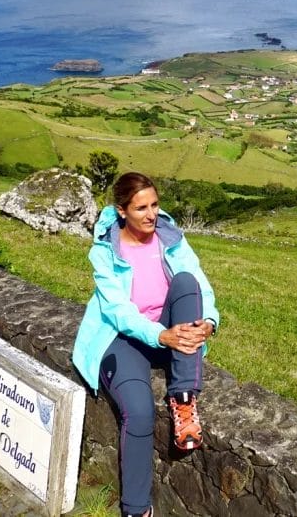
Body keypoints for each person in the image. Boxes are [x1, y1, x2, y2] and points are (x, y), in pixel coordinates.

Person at [72, 172, 219, 517]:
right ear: (122, 211)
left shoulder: (170, 239)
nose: (151, 214)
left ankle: (183, 399)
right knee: (138, 412)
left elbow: (199, 283)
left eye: (155, 205)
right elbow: (118, 311)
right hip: (124, 338)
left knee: (185, 282)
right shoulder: (105, 252)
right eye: (141, 208)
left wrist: (209, 322)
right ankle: (136, 510)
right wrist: (159, 335)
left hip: (167, 333)